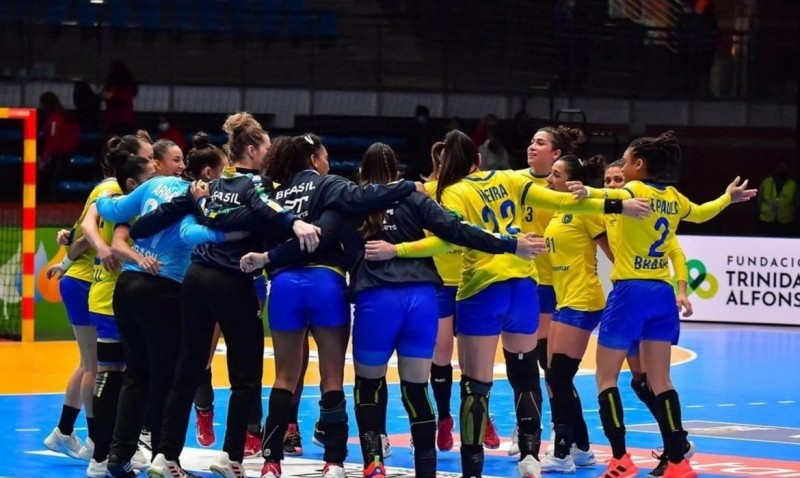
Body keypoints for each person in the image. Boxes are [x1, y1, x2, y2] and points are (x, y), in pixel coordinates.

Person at [434, 129, 650, 478]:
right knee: (528, 374)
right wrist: (619, 203)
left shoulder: (452, 193)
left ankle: (474, 467)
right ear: (479, 161)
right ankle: (531, 455)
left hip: (482, 288)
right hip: (524, 287)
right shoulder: (509, 179)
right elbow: (562, 200)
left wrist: (396, 249)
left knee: (477, 385)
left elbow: (454, 235)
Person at [333, 143, 543, 478]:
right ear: (397, 173)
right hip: (422, 299)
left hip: (377, 300)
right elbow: (457, 233)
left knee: (368, 384)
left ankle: (374, 461)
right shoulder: (416, 198)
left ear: (360, 173)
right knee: (417, 387)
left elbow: (323, 241)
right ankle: (426, 468)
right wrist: (510, 244)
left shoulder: (347, 203)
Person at [139, 113, 320, 478]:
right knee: (246, 374)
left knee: (188, 366)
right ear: (252, 150)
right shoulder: (255, 185)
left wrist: (138, 230)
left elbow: (160, 218)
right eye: (267, 147)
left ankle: (165, 456)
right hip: (230, 281)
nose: (270, 153)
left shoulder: (210, 185)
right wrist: (295, 221)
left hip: (195, 278)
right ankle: (231, 456)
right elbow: (267, 210)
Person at [571, 131, 756, 478]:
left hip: (630, 292)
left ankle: (621, 460)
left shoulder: (633, 190)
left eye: (625, 162)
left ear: (639, 165)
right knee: (661, 381)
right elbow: (700, 214)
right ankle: (678, 462)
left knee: (605, 378)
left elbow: (605, 197)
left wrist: (587, 191)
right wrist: (727, 199)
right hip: (661, 295)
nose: (622, 168)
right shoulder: (672, 196)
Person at [239, 133, 421, 478]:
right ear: (313, 160)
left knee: (284, 377)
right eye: (324, 157)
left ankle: (270, 462)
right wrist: (409, 186)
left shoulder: (275, 196)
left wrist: (268, 258)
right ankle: (335, 461)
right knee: (332, 377)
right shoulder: (330, 186)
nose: (328, 163)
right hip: (326, 284)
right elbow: (364, 197)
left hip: (285, 286)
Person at [510, 125, 586, 457]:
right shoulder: (514, 180)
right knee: (522, 359)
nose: (531, 146)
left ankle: (571, 436)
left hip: (550, 285)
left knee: (549, 366)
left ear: (556, 154)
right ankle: (527, 428)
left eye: (540, 142)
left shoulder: (566, 189)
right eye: (531, 140)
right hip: (518, 279)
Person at [538, 155, 609, 473]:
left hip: (583, 299)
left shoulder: (586, 209)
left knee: (558, 376)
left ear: (571, 181)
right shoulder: (558, 211)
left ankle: (563, 452)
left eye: (555, 174)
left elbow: (615, 252)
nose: (549, 179)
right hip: (563, 299)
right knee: (555, 376)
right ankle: (581, 448)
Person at [757, 162, 797, 237]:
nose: (781, 170)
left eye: (784, 168)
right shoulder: (766, 182)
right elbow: (759, 200)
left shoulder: (792, 184)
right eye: (780, 168)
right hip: (766, 221)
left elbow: (796, 203)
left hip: (785, 222)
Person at [102, 61, 138, 136]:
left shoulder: (112, 86)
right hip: (127, 119)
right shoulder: (129, 86)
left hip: (114, 119)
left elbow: (106, 96)